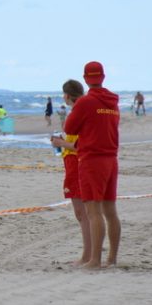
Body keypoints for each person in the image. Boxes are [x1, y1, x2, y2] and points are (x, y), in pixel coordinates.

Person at [62, 61, 120, 269]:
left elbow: (70, 127)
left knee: (93, 211)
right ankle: (111, 259)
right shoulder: (113, 101)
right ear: (102, 77)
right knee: (110, 211)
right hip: (111, 157)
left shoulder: (86, 102)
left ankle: (95, 259)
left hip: (92, 158)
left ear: (86, 79)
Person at [50, 80, 91, 265]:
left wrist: (60, 143)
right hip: (74, 162)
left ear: (67, 95)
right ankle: (89, 254)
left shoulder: (78, 113)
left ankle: (87, 255)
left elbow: (79, 146)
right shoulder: (82, 111)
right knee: (86, 213)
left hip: (76, 164)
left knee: (83, 213)